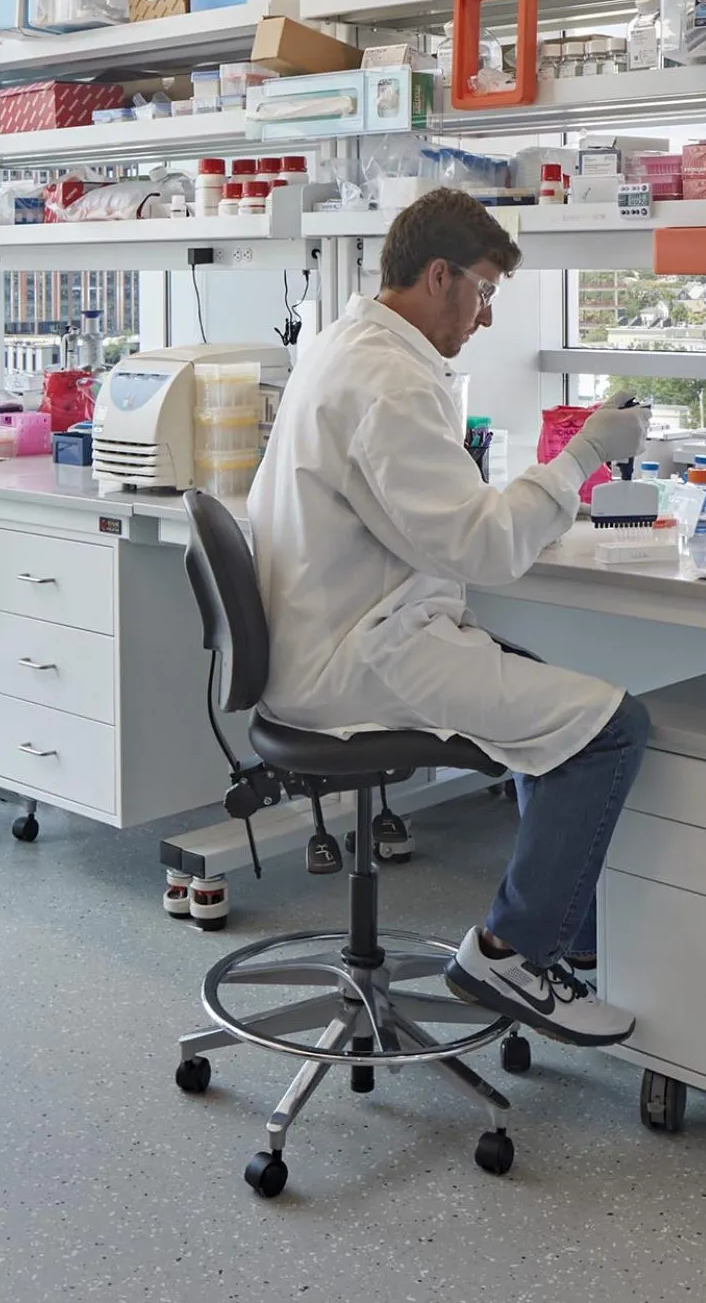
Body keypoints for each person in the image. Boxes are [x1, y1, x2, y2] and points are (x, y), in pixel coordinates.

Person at [248, 187, 652, 1047]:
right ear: (440, 276)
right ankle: (511, 953)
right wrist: (583, 457)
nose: (487, 314)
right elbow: (483, 548)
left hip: (347, 629)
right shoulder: (392, 381)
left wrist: (534, 498)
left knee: (546, 706)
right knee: (610, 727)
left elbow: (431, 523)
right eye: (483, 291)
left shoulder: (346, 346)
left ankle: (563, 942)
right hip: (361, 658)